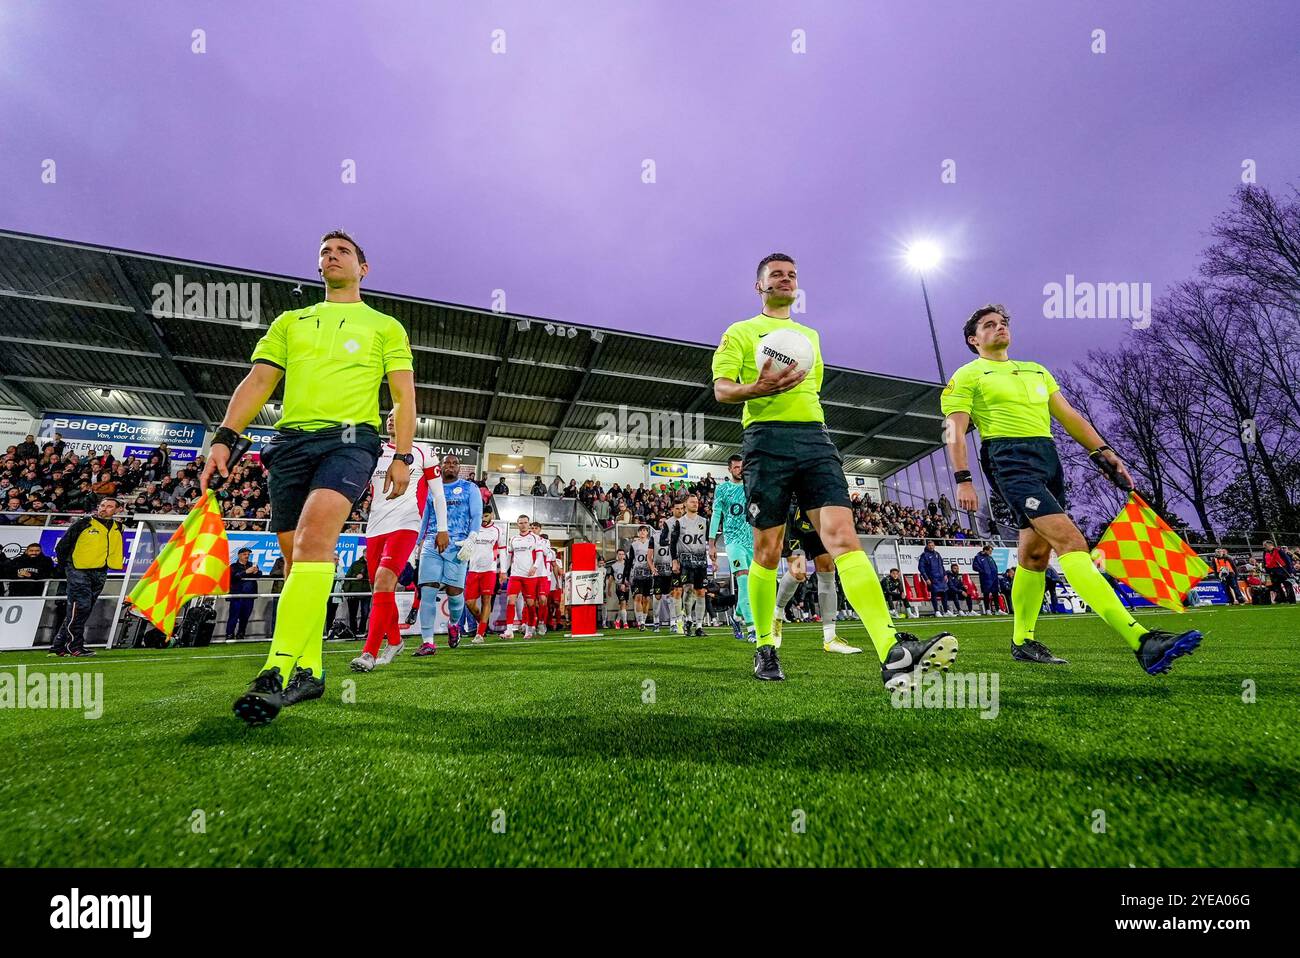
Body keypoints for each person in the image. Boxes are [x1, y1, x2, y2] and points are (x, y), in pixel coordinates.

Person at [204, 229, 418, 725]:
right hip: (289, 444)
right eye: (325, 251)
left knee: (314, 539)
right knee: (293, 559)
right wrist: (225, 437)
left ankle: (275, 671)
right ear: (317, 265)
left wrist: (402, 455)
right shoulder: (290, 322)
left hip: (350, 440)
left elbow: (404, 396)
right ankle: (312, 669)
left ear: (363, 268)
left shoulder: (385, 326)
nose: (332, 256)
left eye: (343, 251)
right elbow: (258, 380)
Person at [712, 252, 956, 685]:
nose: (785, 280)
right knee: (767, 550)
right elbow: (722, 390)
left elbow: (812, 390)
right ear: (759, 286)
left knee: (844, 538)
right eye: (776, 275)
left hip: (815, 439)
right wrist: (758, 387)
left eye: (791, 275)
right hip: (765, 441)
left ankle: (892, 651)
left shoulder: (810, 335)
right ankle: (765, 647)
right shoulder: (740, 332)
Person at [943, 303, 1202, 673]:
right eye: (989, 325)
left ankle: (1022, 641)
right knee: (1072, 542)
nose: (999, 328)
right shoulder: (967, 375)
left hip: (1048, 458)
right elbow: (954, 429)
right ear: (974, 339)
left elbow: (1070, 416)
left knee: (1034, 556)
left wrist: (1104, 453)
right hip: (1008, 459)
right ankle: (1141, 641)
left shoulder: (1037, 371)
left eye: (1003, 322)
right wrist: (963, 478)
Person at [772, 495, 861, 652]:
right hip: (793, 516)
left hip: (819, 514)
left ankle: (830, 638)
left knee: (827, 569)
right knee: (798, 573)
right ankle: (777, 614)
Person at [412, 454, 477, 655]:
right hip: (432, 543)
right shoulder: (433, 488)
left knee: (455, 594)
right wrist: (417, 543)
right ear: (441, 467)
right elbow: (425, 517)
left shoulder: (469, 488)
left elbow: (475, 515)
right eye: (446, 463)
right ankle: (428, 642)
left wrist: (472, 537)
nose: (450, 466)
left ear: (459, 468)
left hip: (458, 546)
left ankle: (453, 624)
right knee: (428, 591)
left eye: (454, 463)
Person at [50, 496, 124, 656]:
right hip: (79, 569)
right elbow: (62, 545)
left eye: (110, 506)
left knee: (81, 610)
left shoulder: (118, 526)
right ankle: (74, 646)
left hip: (101, 570)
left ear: (118, 510)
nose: (104, 508)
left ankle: (58, 646)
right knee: (81, 607)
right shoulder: (84, 523)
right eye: (102, 505)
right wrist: (67, 567)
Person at [708, 455, 756, 642]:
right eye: (736, 467)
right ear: (729, 469)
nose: (739, 470)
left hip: (751, 542)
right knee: (743, 582)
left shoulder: (750, 488)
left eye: (741, 467)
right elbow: (716, 515)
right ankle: (752, 628)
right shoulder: (723, 489)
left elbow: (755, 511)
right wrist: (711, 544)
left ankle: (736, 618)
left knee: (750, 586)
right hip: (733, 542)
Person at [462, 505, 506, 643]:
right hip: (473, 570)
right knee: (469, 603)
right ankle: (483, 624)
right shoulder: (472, 528)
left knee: (486, 601)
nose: (483, 519)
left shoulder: (498, 530)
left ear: (491, 515)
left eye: (486, 516)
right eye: (481, 517)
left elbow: (502, 551)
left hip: (489, 570)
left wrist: (503, 570)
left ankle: (480, 634)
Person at [502, 514, 544, 639]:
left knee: (530, 603)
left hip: (530, 576)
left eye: (525, 522)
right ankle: (509, 631)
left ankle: (530, 629)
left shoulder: (535, 538)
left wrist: (535, 567)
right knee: (510, 601)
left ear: (529, 524)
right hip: (515, 575)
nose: (523, 525)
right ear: (517, 524)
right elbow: (509, 557)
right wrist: (504, 571)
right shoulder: (513, 539)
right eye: (520, 523)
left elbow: (540, 555)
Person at [225, 547, 262, 640]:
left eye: (248, 554)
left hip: (249, 596)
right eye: (245, 554)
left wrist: (256, 572)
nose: (247, 556)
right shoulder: (233, 566)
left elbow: (259, 575)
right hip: (237, 595)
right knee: (234, 616)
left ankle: (241, 634)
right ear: (239, 555)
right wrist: (245, 572)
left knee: (245, 617)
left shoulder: (252, 565)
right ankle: (229, 634)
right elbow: (233, 577)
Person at [626, 524, 655, 630]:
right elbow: (630, 561)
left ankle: (644, 619)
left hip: (648, 574)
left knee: (647, 599)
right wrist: (627, 576)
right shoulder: (634, 545)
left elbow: (654, 558)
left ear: (647, 532)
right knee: (638, 597)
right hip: (637, 574)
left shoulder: (651, 544)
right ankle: (640, 622)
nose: (642, 532)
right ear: (638, 533)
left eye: (644, 530)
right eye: (641, 531)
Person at [917, 540, 950, 617]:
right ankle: (937, 611)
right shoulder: (924, 555)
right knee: (934, 594)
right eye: (929, 545)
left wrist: (944, 574)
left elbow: (941, 565)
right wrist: (926, 578)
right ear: (927, 546)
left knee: (944, 593)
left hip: (941, 578)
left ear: (934, 546)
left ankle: (945, 611)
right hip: (932, 578)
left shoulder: (937, 554)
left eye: (932, 545)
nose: (931, 547)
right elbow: (921, 568)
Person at [341, 554, 369, 635]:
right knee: (353, 613)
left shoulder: (373, 563)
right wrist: (347, 591)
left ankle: (361, 631)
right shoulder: (355, 564)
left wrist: (363, 575)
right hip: (354, 591)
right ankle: (353, 631)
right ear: (364, 554)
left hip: (366, 592)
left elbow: (374, 575)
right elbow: (348, 576)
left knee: (365, 612)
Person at [973, 544, 1002, 615]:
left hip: (994, 578)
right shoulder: (978, 557)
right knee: (986, 594)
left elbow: (994, 567)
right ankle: (987, 610)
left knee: (995, 594)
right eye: (989, 551)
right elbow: (974, 567)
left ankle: (998, 610)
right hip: (985, 579)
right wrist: (983, 572)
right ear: (985, 550)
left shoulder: (990, 558)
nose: (990, 553)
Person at [607, 547, 631, 629]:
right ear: (617, 555)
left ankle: (617, 621)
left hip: (627, 586)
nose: (621, 556)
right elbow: (611, 578)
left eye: (622, 554)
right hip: (619, 586)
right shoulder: (614, 566)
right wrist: (609, 589)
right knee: (623, 603)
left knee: (624, 605)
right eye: (619, 554)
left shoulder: (627, 564)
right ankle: (625, 623)